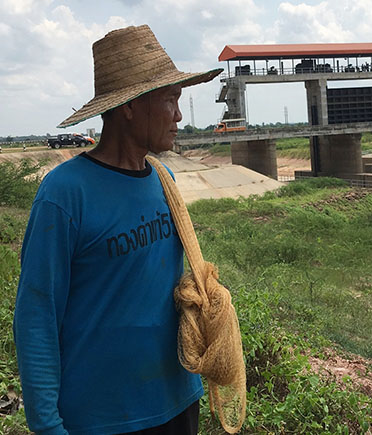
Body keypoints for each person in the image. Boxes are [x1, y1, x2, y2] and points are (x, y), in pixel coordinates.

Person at [14, 25, 221, 435]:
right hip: (101, 418)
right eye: (169, 100)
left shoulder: (164, 182)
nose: (179, 116)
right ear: (128, 107)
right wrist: (47, 425)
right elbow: (36, 315)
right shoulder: (65, 193)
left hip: (178, 402)